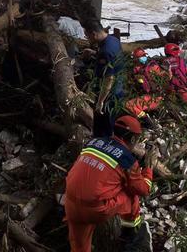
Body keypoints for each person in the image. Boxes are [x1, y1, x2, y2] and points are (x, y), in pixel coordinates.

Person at [64, 115, 156, 252]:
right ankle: (132, 237)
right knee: (131, 194)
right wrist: (148, 168)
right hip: (95, 210)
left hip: (70, 203)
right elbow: (144, 189)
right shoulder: (127, 160)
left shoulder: (93, 142)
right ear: (132, 139)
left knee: (79, 248)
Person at [82, 19, 125, 137]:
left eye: (87, 36)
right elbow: (113, 60)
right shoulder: (113, 40)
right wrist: (94, 53)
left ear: (94, 34)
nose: (87, 39)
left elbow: (109, 79)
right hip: (119, 88)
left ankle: (101, 149)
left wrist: (100, 102)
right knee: (110, 123)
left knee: (103, 129)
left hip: (109, 95)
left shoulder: (105, 51)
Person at [124, 48, 166, 120]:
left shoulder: (152, 68)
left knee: (129, 105)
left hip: (154, 97)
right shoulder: (142, 68)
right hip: (153, 96)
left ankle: (147, 121)